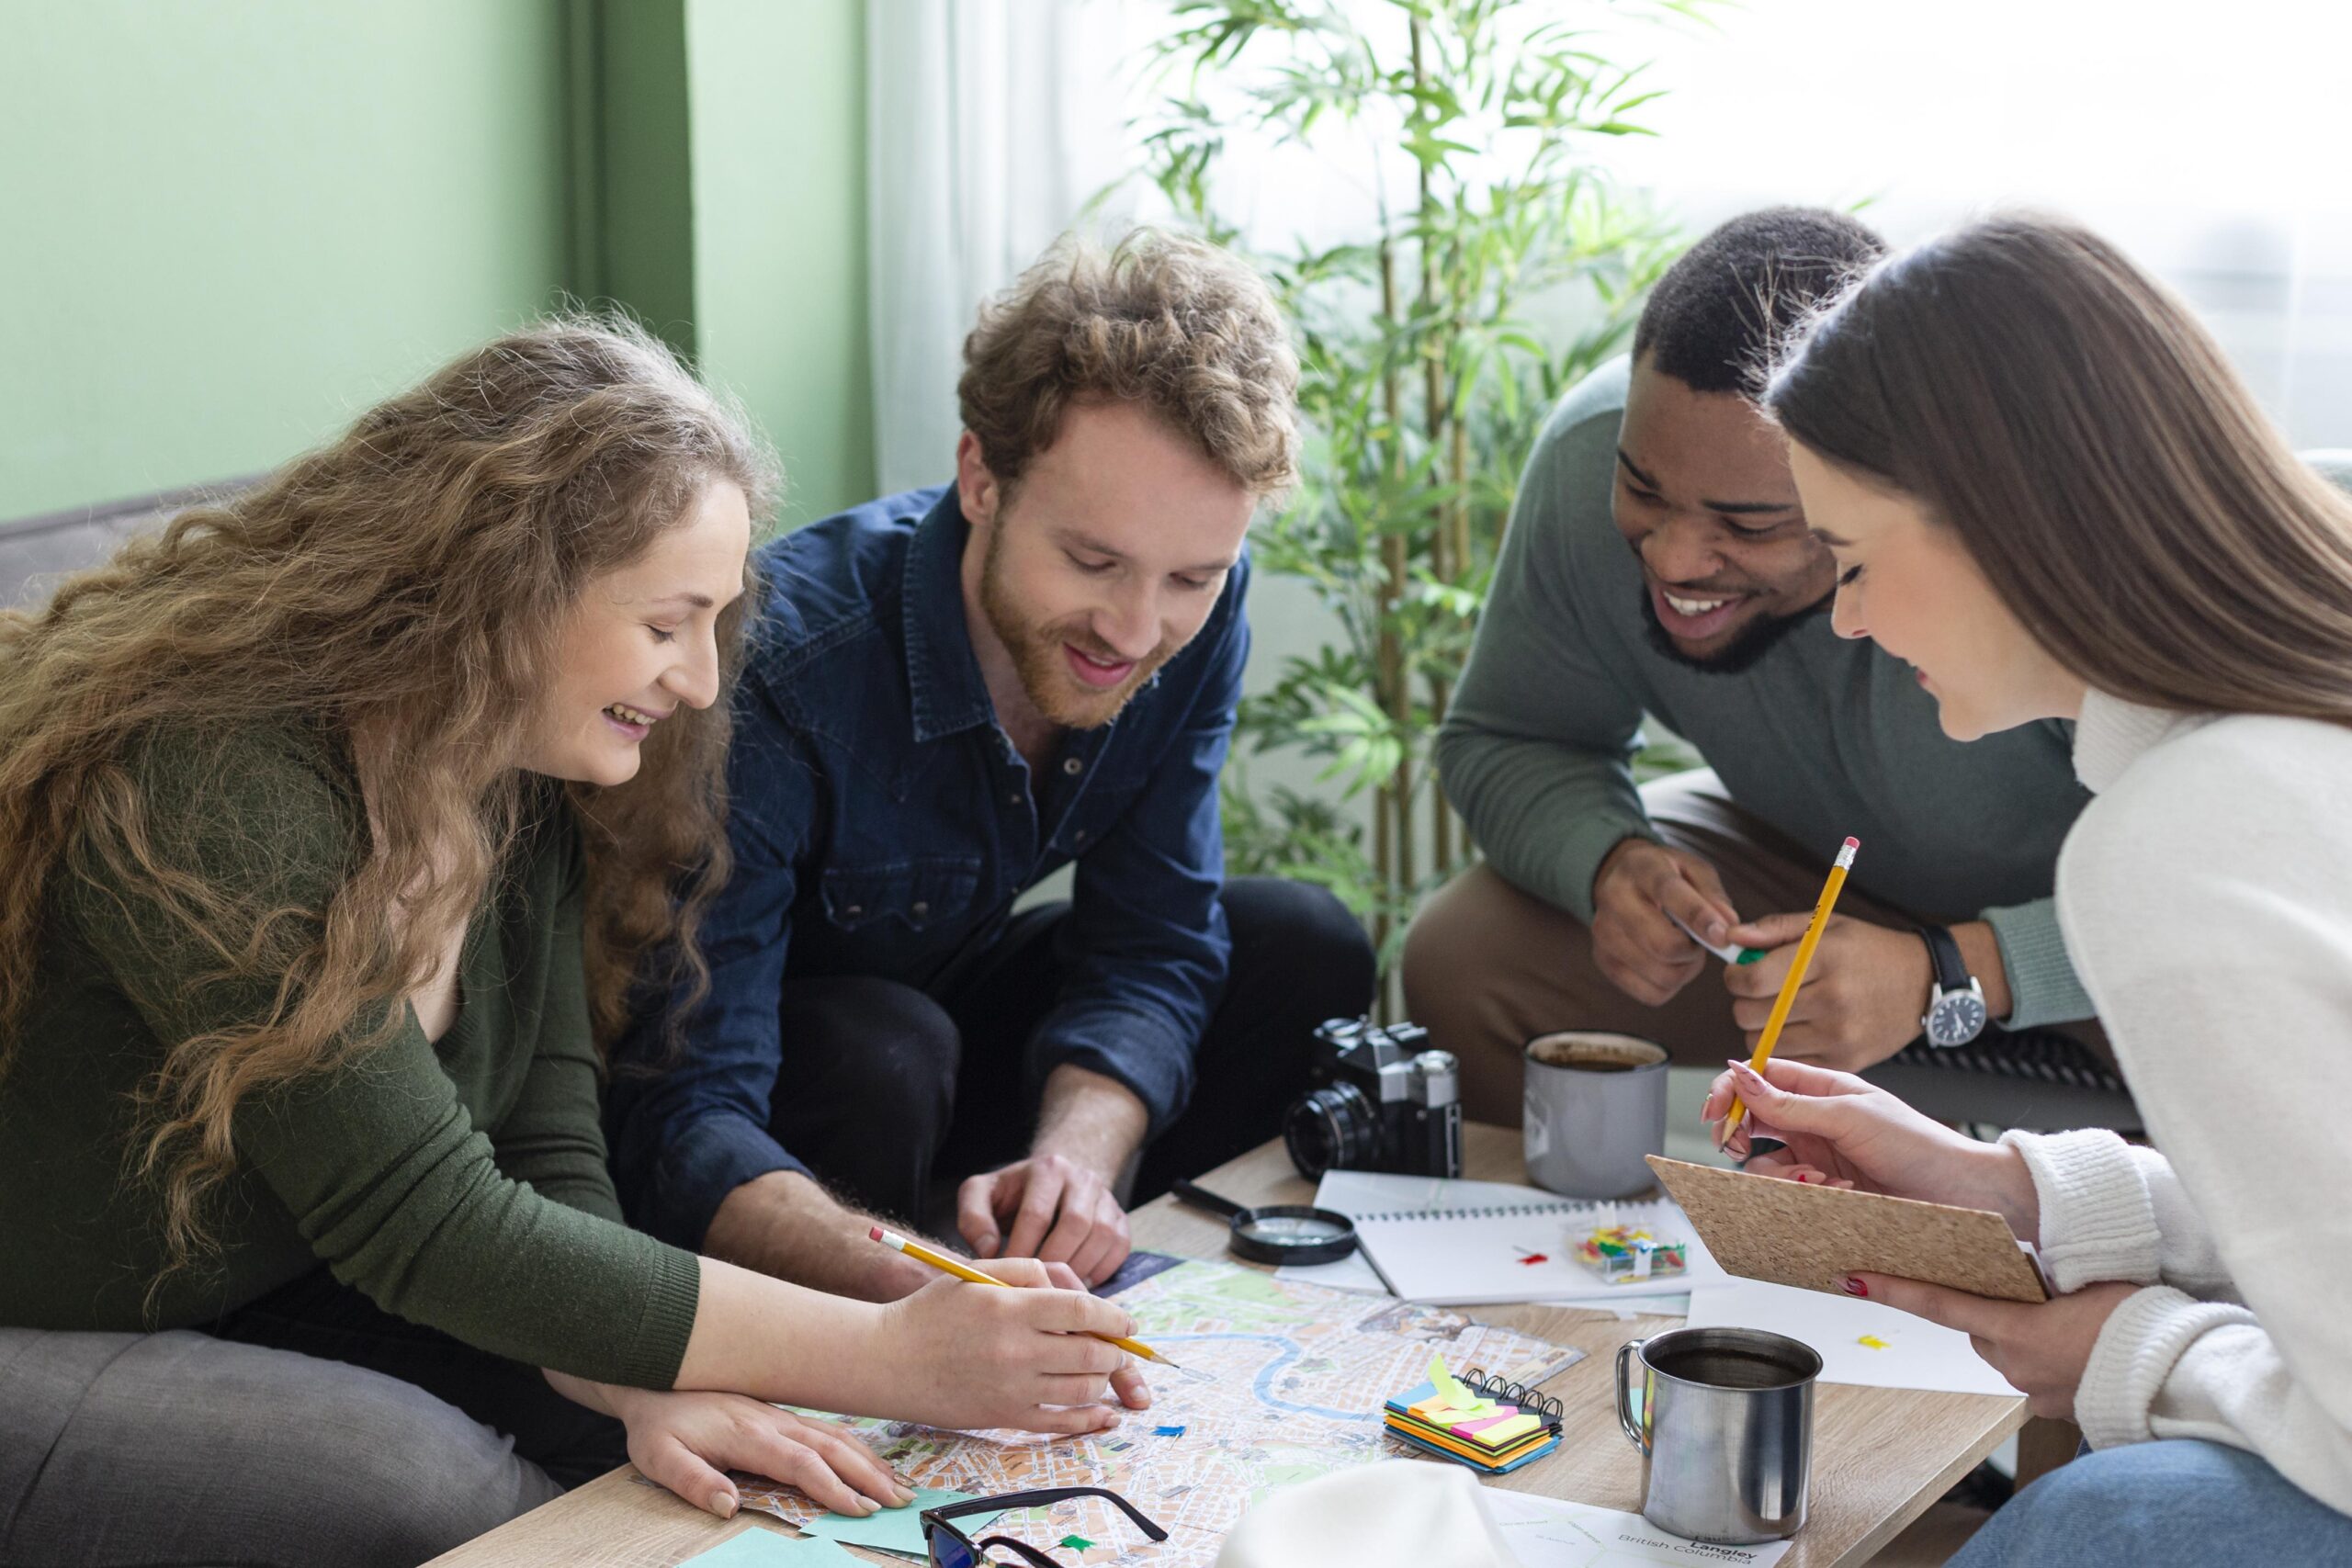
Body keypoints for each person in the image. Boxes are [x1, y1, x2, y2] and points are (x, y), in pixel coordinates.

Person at [0, 320, 1151, 1568]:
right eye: (667, 623)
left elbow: (547, 1141)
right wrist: (888, 1351)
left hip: (262, 1277)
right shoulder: (212, 782)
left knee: (691, 1435)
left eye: (714, 623)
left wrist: (638, 1375)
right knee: (426, 1486)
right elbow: (429, 1223)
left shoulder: (517, 770)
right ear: (507, 590)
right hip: (45, 1322)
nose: (700, 680)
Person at [1702, 213, 2352, 1563]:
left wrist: (2130, 1352)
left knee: (2097, 1522)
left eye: (1855, 558)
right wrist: (2015, 1192)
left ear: (2008, 517)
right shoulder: (2290, 741)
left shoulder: (2185, 835)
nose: (1846, 620)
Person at [606, 230, 1375, 1295]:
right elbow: (685, 1112)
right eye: (1092, 560)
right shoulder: (775, 667)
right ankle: (898, 1316)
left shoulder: (1189, 614)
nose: (1134, 629)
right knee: (885, 1048)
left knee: (1300, 941)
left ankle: (1117, 1270)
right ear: (980, 479)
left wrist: (1077, 1162)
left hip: (950, 1035)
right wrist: (939, 1307)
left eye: (1191, 579)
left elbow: (1153, 940)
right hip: (795, 1083)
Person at [1401, 208, 2109, 1125]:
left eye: (1749, 524)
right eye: (1642, 489)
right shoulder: (1588, 457)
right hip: (1811, 871)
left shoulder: (2058, 545)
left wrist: (1957, 969)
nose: (1672, 558)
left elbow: (2236, 885)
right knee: (1468, 959)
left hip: (2107, 931)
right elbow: (1512, 736)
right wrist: (1607, 859)